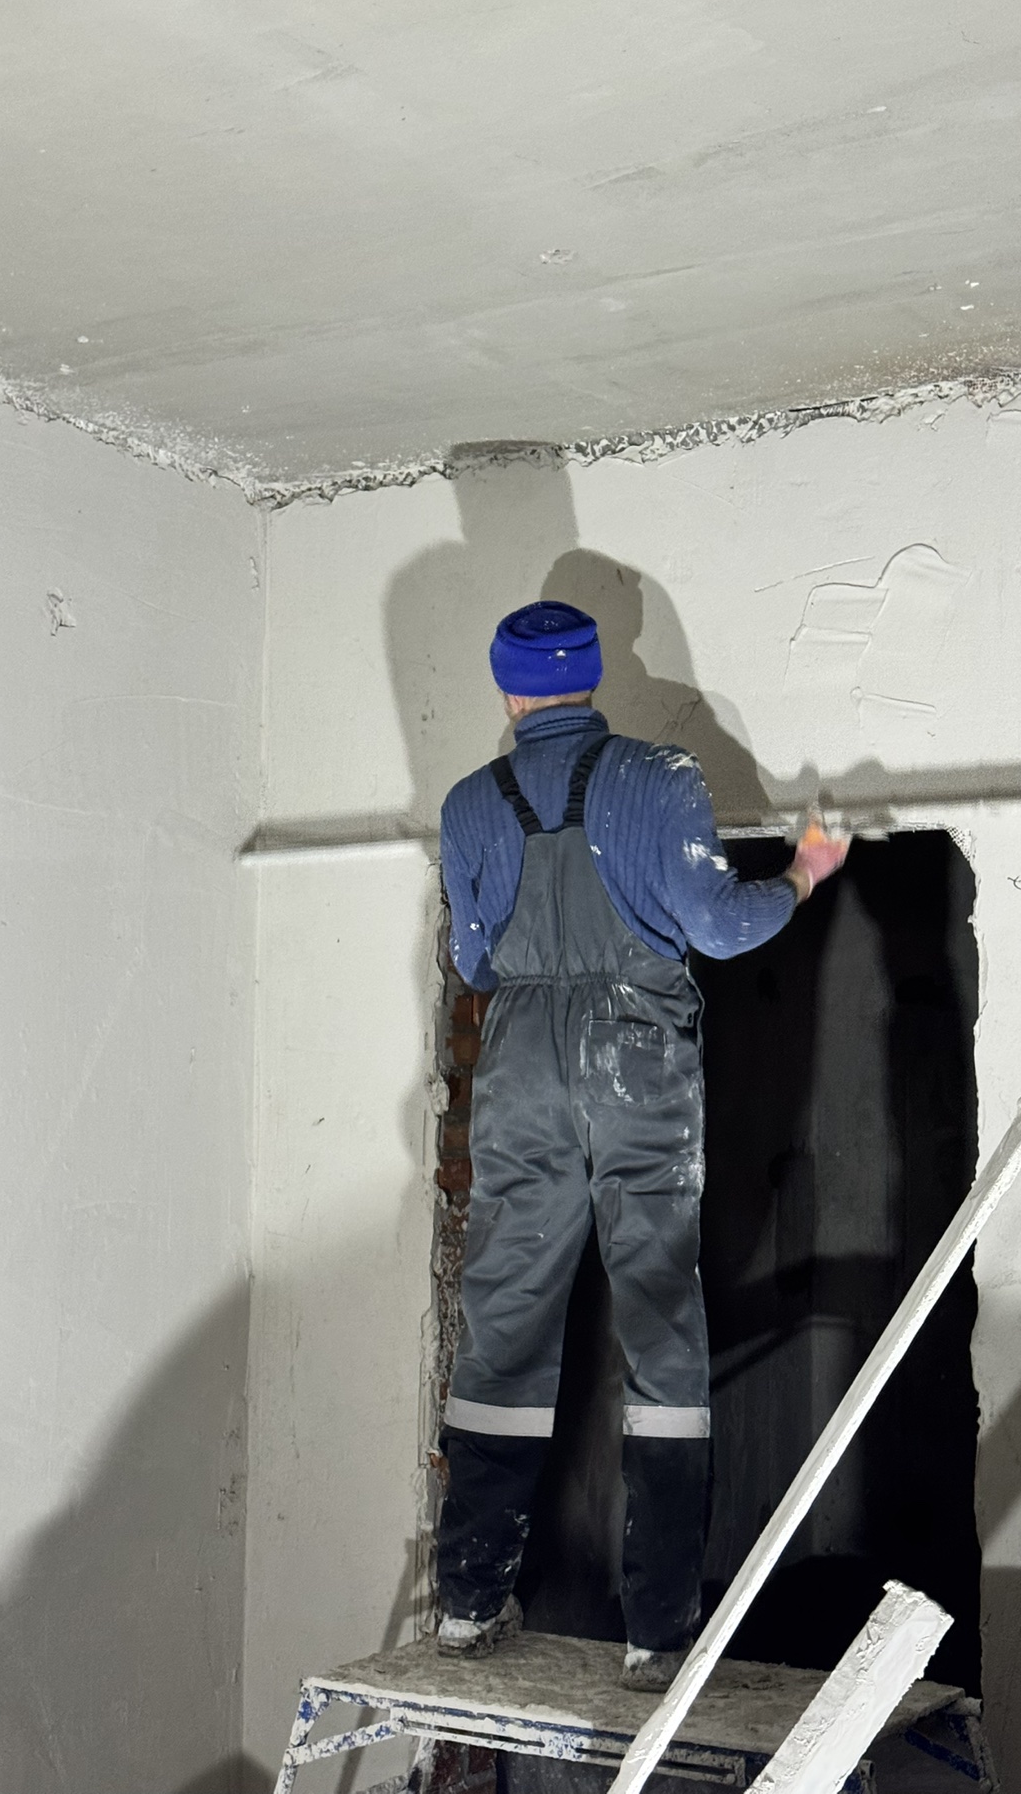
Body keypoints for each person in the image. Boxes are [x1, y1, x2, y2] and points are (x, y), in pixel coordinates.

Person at [435, 599, 848, 1691]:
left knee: (506, 1314)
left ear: (509, 690)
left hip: (520, 1057)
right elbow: (720, 926)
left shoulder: (470, 804)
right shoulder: (660, 776)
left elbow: (475, 963)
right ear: (593, 675)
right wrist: (805, 871)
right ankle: (657, 1633)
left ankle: (467, 1604)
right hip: (637, 1052)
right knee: (659, 1309)